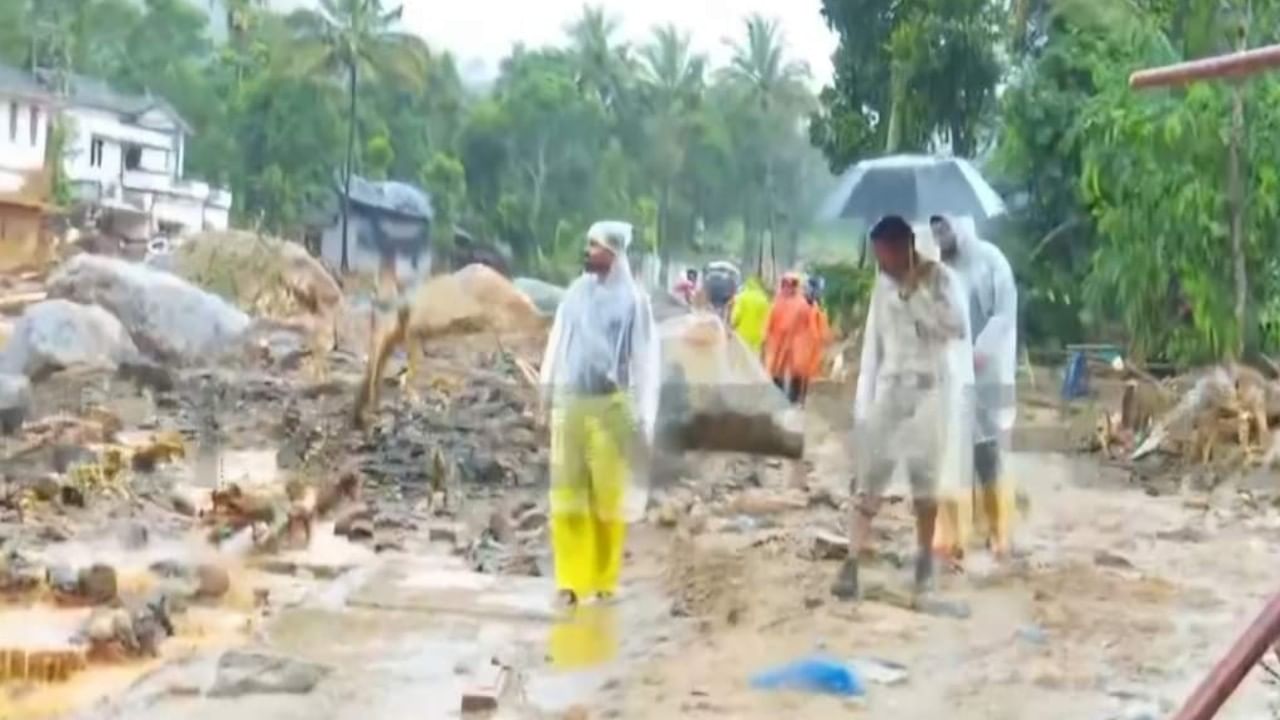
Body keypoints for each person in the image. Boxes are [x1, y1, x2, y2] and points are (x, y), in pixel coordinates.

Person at [832, 215, 974, 600]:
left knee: (923, 480)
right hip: (891, 388)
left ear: (905, 248)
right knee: (869, 476)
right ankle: (851, 560)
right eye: (878, 256)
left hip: (930, 388)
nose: (881, 264)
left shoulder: (940, 279)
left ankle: (925, 562)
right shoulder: (882, 285)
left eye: (886, 255)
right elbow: (873, 348)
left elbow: (957, 328)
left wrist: (918, 298)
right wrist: (864, 405)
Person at [539, 221, 661, 609]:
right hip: (571, 403)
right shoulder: (575, 295)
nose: (588, 252)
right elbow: (557, 343)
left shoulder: (634, 302)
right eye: (588, 244)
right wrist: (545, 393)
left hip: (612, 407)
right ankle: (570, 581)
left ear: (614, 252)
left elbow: (645, 362)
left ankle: (605, 580)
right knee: (567, 496)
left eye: (595, 246)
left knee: (608, 499)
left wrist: (644, 417)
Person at [930, 214, 1019, 563]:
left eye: (945, 227)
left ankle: (999, 533)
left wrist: (981, 353)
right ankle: (949, 538)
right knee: (947, 457)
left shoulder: (991, 261)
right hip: (949, 376)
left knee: (986, 454)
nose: (940, 235)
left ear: (960, 222)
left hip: (988, 375)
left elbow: (1004, 314)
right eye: (934, 229)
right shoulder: (935, 272)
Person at [763, 272, 821, 404]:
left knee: (798, 371)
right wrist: (767, 338)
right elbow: (769, 322)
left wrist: (811, 342)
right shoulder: (777, 302)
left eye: (792, 284)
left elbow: (810, 324)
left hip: (797, 343)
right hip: (779, 342)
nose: (789, 288)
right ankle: (779, 398)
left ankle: (794, 400)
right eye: (786, 284)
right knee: (777, 370)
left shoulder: (802, 304)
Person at [730, 275, 771, 355]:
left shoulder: (742, 297)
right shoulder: (764, 299)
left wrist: (732, 326)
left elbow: (736, 315)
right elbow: (768, 319)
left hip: (742, 336)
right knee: (755, 359)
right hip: (758, 337)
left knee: (742, 360)